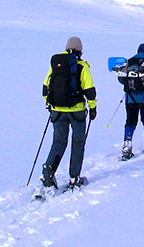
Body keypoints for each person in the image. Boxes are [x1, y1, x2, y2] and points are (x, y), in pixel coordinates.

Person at [41, 36, 97, 190]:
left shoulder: (56, 65)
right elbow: (89, 90)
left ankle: (49, 169)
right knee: (78, 142)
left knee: (59, 142)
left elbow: (46, 88)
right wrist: (92, 108)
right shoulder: (82, 66)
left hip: (57, 111)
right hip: (77, 111)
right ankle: (74, 177)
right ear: (80, 50)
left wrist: (50, 104)